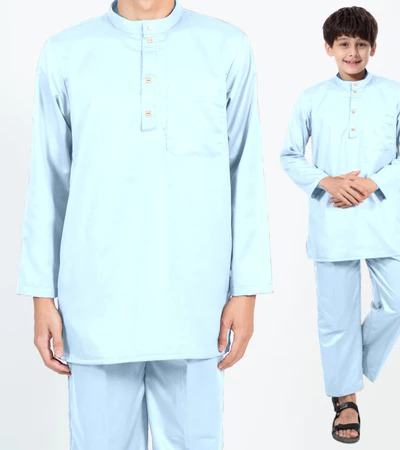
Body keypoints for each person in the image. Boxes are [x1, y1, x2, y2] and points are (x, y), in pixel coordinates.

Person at [16, 0, 272, 448]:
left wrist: (247, 289)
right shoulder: (66, 52)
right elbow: (49, 180)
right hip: (95, 304)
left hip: (198, 303)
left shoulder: (227, 47)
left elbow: (245, 172)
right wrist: (42, 295)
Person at [280, 6, 400, 444]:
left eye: (361, 44)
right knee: (337, 316)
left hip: (381, 218)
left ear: (373, 47)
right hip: (333, 218)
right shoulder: (311, 98)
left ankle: (346, 365)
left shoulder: (396, 94)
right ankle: (346, 400)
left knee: (399, 302)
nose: (353, 52)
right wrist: (327, 182)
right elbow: (289, 155)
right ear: (329, 48)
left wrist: (373, 184)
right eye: (344, 44)